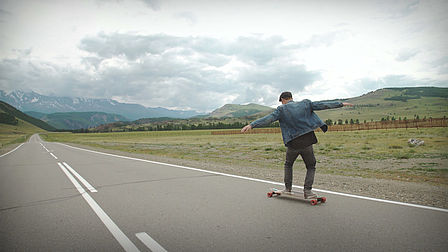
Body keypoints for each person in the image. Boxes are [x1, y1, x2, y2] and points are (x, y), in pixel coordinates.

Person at [241, 91, 353, 199]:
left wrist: (252, 125)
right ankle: (308, 191)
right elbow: (322, 105)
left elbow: (268, 119)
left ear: (283, 100)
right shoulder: (305, 104)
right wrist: (341, 104)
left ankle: (288, 189)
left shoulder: (281, 109)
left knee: (288, 164)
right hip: (307, 140)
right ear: (291, 98)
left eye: (281, 102)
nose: (282, 104)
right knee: (311, 166)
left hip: (293, 142)